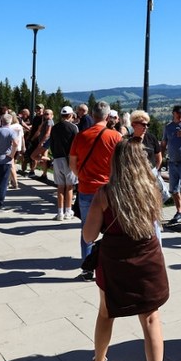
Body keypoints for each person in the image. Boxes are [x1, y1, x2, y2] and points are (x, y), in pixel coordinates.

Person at [82, 139, 170, 361]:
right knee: (151, 319)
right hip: (148, 260)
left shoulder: (105, 194)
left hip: (114, 262)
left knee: (106, 312)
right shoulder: (151, 190)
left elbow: (88, 236)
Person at [70, 101, 123, 280]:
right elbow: (122, 165)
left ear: (92, 116)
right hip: (109, 189)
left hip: (86, 189)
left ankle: (87, 267)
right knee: (112, 229)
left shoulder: (81, 135)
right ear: (108, 117)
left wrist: (82, 176)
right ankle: (111, 263)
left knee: (87, 229)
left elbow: (72, 163)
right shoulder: (115, 137)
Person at [50, 106, 79, 220]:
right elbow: (76, 144)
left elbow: (52, 143)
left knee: (60, 187)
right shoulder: (73, 127)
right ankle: (68, 211)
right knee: (70, 187)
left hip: (57, 158)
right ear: (71, 115)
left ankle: (60, 212)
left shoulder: (55, 127)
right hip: (70, 159)